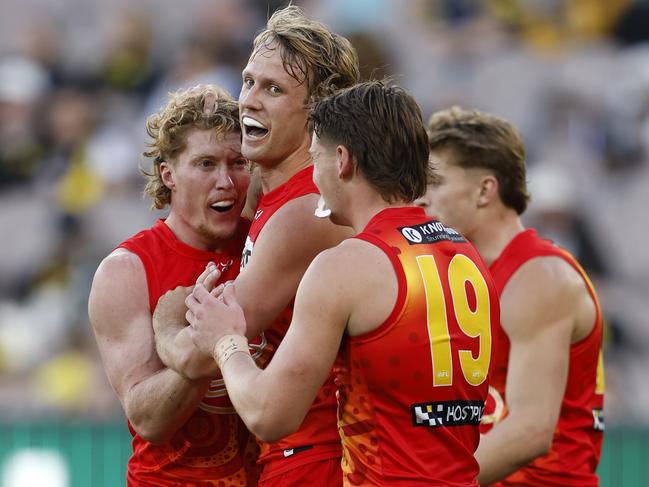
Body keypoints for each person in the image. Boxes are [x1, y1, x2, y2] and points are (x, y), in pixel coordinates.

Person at [183, 81, 500, 486]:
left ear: (343, 161)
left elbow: (269, 414)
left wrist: (225, 341)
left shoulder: (346, 266)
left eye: (315, 160)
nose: (313, 178)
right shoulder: (465, 253)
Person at [153, 6, 360, 486]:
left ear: (319, 110)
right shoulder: (278, 197)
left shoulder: (302, 213)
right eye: (248, 82)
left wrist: (165, 324)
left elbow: (201, 353)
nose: (249, 101)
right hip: (297, 452)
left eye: (274, 89)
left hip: (314, 455)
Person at [416, 106, 605, 486]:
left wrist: (430, 482)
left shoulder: (539, 277)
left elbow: (530, 431)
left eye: (435, 183)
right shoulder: (463, 275)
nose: (422, 199)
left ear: (486, 189)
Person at [88, 85, 260, 486]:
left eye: (237, 162)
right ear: (169, 175)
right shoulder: (127, 271)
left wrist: (181, 337)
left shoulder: (268, 244)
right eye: (205, 164)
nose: (226, 181)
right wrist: (204, 343)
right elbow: (147, 418)